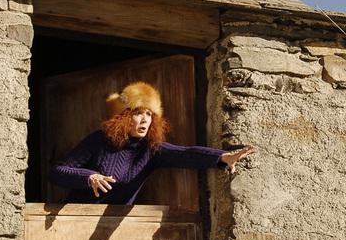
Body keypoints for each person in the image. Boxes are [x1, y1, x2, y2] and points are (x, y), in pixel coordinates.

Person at [51, 81, 254, 203]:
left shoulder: (150, 149)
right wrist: (89, 177)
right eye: (138, 113)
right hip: (76, 218)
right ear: (123, 117)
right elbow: (57, 172)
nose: (146, 119)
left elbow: (185, 153)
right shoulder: (99, 140)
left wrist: (223, 157)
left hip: (112, 226)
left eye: (149, 114)